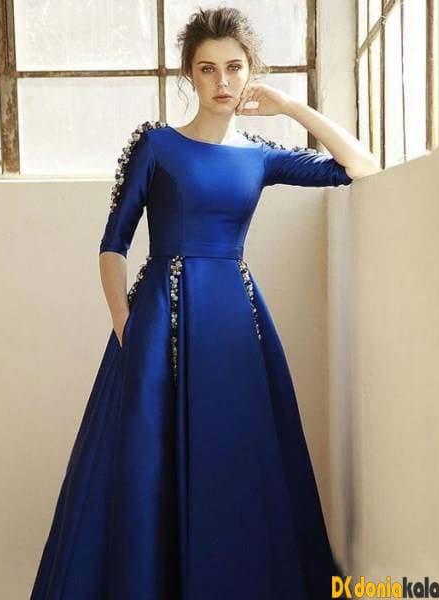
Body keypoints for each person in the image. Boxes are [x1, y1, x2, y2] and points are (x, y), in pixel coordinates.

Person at [30, 6, 379, 600]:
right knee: (147, 461)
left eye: (234, 68)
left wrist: (291, 107)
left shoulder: (260, 156)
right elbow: (113, 246)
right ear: (189, 75)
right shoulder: (157, 146)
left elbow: (360, 167)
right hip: (157, 323)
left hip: (233, 323)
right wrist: (125, 324)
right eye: (208, 68)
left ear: (250, 73)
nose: (222, 81)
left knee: (232, 453)